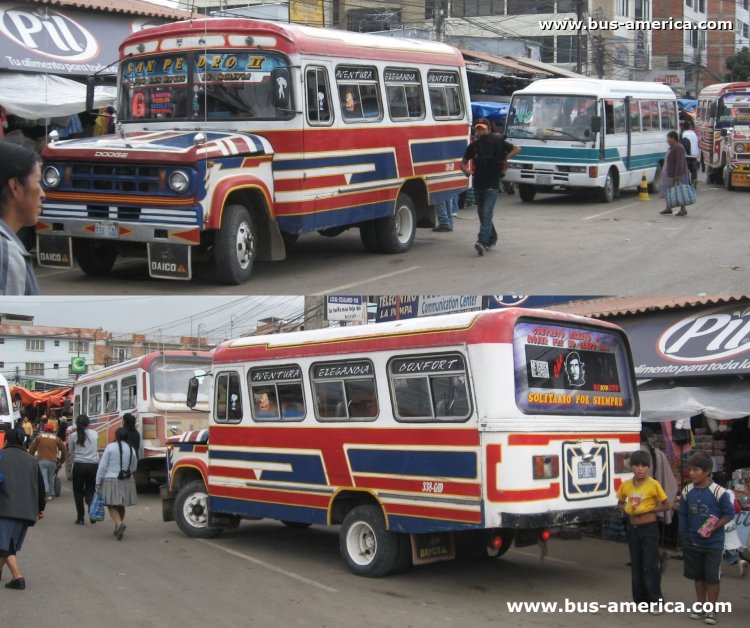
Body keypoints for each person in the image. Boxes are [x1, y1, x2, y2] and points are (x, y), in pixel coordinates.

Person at [678, 453, 737, 625]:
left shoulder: (719, 492)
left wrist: (714, 527)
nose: (691, 473)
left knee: (712, 577)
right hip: (692, 541)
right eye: (690, 470)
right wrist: (685, 536)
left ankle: (712, 610)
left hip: (714, 544)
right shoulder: (687, 491)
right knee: (698, 576)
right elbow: (682, 514)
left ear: (707, 472)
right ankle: (700, 606)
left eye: (696, 470)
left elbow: (729, 513)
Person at [616, 449, 671, 607]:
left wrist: (649, 509)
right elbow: (619, 502)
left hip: (649, 528)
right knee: (637, 563)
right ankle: (640, 600)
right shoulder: (626, 485)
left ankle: (656, 600)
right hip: (633, 528)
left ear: (648, 468)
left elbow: (666, 505)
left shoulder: (654, 484)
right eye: (637, 465)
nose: (640, 469)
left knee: (650, 564)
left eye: (644, 466)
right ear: (631, 467)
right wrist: (626, 507)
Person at [461, 118, 520, 255]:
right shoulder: (473, 146)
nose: (480, 131)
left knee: (486, 215)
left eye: (482, 128)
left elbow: (517, 148)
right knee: (483, 215)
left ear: (488, 129)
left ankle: (481, 242)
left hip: (492, 187)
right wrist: (466, 171)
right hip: (478, 186)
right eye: (478, 128)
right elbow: (462, 163)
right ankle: (492, 238)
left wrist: (504, 158)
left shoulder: (497, 142)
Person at [0, 429, 46, 590]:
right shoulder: (32, 460)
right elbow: (41, 487)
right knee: (8, 543)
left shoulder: (1, 456)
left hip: (5, 508)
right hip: (26, 510)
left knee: (5, 545)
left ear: (6, 440)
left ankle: (17, 577)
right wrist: (40, 508)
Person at [0, 140, 43, 295]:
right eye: (38, 182)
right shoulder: (6, 254)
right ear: (15, 186)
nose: (42, 194)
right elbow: (8, 318)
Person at [640, 427, 679, 574]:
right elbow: (670, 482)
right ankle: (653, 557)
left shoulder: (637, 452)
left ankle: (657, 556)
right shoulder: (659, 453)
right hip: (656, 503)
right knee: (651, 532)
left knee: (643, 533)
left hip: (642, 503)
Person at [95, 428, 137, 540]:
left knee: (111, 504)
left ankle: (119, 524)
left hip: (111, 479)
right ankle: (117, 528)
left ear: (116, 436)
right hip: (127, 480)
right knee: (121, 505)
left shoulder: (110, 447)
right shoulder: (131, 449)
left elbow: (103, 466)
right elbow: (134, 466)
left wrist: (98, 481)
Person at [713, 472, 750, 577]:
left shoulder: (713, 492)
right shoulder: (730, 493)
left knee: (718, 547)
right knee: (729, 546)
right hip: (730, 523)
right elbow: (737, 508)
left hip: (718, 522)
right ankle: (740, 562)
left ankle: (717, 570)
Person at [68, 414, 99, 525]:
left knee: (78, 493)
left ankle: (80, 518)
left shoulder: (73, 436)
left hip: (79, 466)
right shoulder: (95, 434)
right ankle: (92, 512)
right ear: (88, 423)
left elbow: (71, 452)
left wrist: (74, 461)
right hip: (93, 466)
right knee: (91, 490)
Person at [27, 421, 67, 501]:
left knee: (44, 477)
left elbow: (32, 448)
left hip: (42, 460)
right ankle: (51, 494)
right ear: (52, 430)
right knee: (51, 478)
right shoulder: (56, 439)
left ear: (44, 430)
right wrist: (62, 460)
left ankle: (46, 493)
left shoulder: (39, 438)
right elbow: (64, 449)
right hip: (53, 461)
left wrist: (31, 457)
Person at [660, 130, 690, 217]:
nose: (668, 141)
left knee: (679, 191)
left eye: (669, 139)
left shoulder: (678, 148)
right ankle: (668, 208)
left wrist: (677, 175)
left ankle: (683, 209)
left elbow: (680, 162)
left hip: (677, 175)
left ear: (674, 138)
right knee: (669, 191)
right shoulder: (673, 147)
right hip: (670, 174)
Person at [681, 120, 700, 188]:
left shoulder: (684, 134)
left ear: (683, 127)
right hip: (695, 154)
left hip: (688, 154)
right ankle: (694, 180)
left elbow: (685, 144)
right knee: (693, 169)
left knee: (686, 169)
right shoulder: (694, 133)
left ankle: (688, 183)